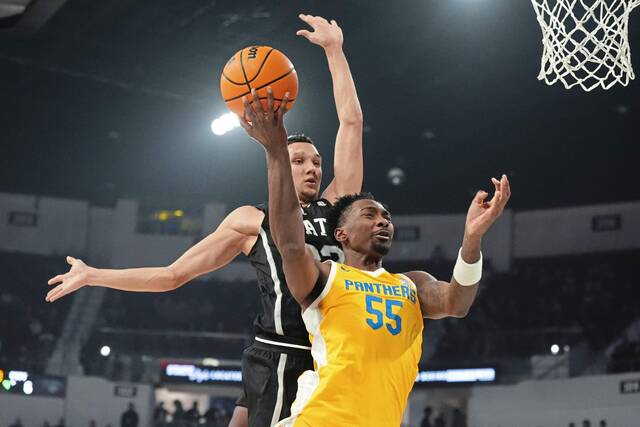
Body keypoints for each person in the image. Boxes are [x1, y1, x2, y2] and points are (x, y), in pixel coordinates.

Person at [45, 14, 363, 427]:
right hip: (280, 352)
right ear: (278, 160)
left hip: (322, 352)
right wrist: (94, 275)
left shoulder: (336, 207)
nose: (312, 169)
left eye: (317, 163)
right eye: (299, 160)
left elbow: (351, 125)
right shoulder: (250, 220)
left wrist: (335, 52)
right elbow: (171, 275)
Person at [239, 88, 510, 426]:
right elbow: (290, 242)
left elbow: (458, 303)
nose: (382, 220)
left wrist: (472, 239)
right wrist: (276, 150)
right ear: (342, 234)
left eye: (387, 217)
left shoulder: (413, 284)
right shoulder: (325, 278)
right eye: (369, 214)